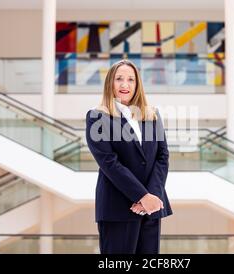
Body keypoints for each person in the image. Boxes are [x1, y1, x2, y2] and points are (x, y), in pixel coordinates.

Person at [85, 59, 173, 254]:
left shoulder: (152, 115)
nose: (125, 85)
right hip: (117, 208)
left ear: (137, 84)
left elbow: (162, 156)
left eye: (131, 79)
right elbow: (109, 162)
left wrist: (151, 197)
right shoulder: (98, 116)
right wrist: (142, 196)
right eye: (119, 79)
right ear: (110, 83)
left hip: (151, 209)